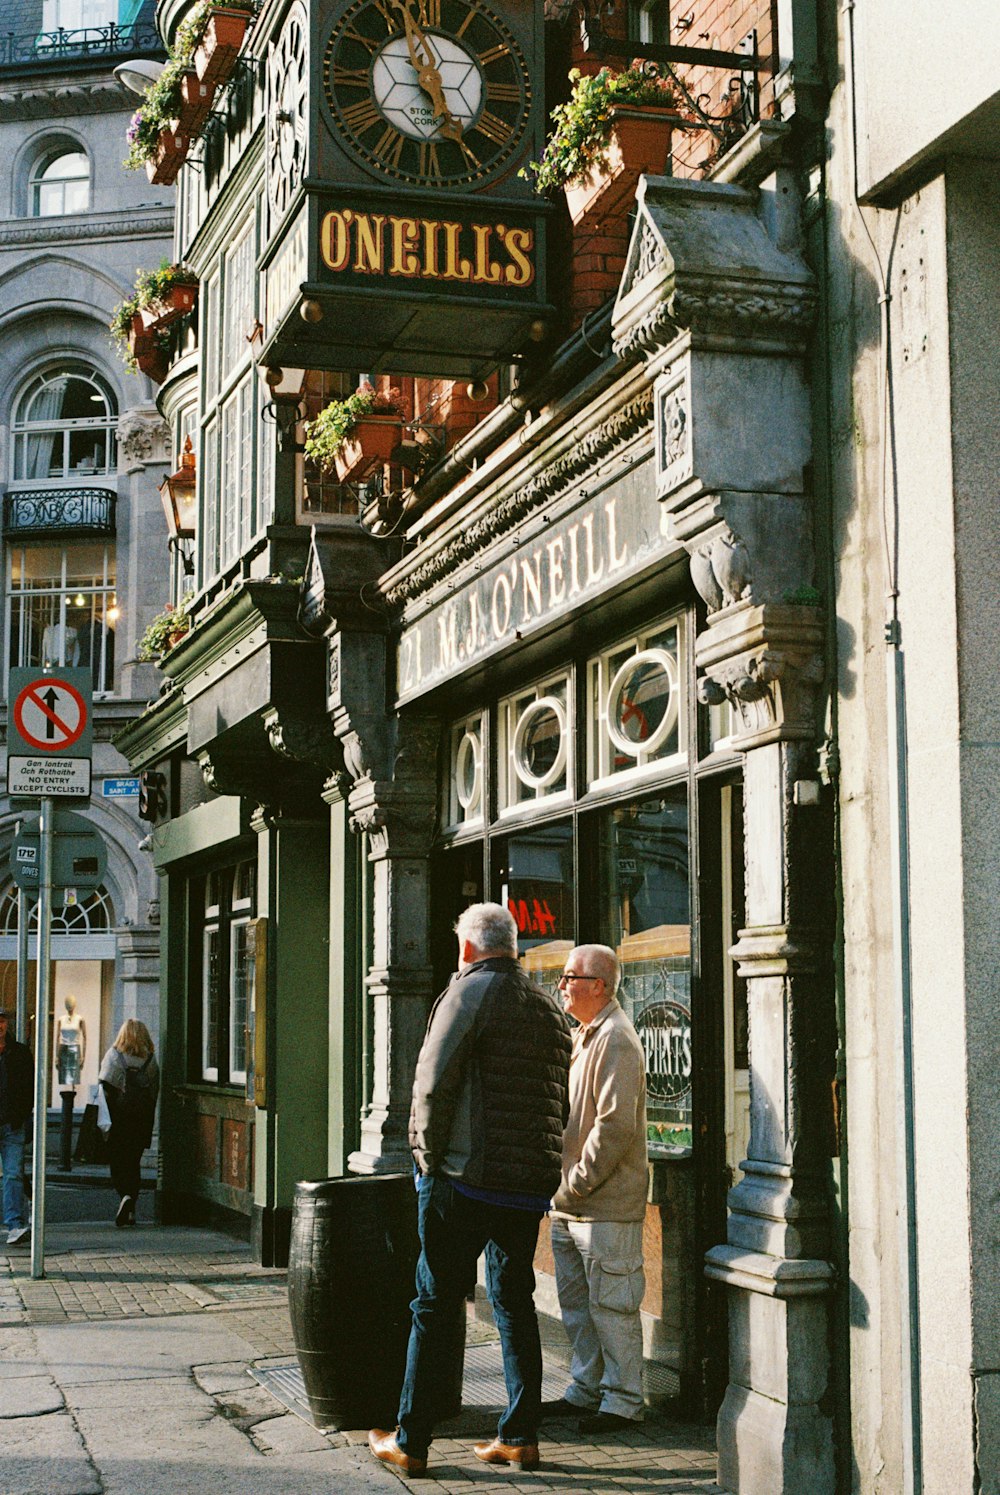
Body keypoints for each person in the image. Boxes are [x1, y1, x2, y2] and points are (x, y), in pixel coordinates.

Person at [369, 902, 572, 1479]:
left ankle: (411, 1441)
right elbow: (557, 1098)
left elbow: (432, 1085)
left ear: (466, 948)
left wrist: (427, 1163)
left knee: (432, 1304)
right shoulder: (547, 1006)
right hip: (525, 1184)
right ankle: (519, 1434)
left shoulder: (466, 993)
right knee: (514, 1303)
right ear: (513, 945)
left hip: (464, 1179)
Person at [549, 944, 649, 1433]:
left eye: (571, 977)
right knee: (577, 1308)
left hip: (601, 1204)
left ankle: (624, 1401)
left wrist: (574, 1187)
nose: (562, 985)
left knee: (612, 1308)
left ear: (601, 986)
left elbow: (613, 1129)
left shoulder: (615, 1039)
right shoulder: (585, 1035)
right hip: (573, 1203)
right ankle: (586, 1390)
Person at [98, 1019, 159, 1229]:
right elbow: (153, 1093)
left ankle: (124, 1195)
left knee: (118, 1162)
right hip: (141, 1120)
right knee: (134, 1163)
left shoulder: (114, 1057)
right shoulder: (151, 1061)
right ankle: (131, 1209)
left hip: (118, 1120)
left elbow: (103, 1087)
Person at [0, 1008, 33, 1246]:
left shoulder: (20, 1053)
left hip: (12, 1124)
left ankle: (15, 1224)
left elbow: (29, 1088)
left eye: (2, 1022)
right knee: (12, 1174)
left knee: (13, 1174)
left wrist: (21, 1115)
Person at [56, 993, 87, 1088]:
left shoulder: (79, 1019)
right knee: (63, 1080)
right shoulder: (61, 1019)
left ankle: (72, 1095)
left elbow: (85, 1037)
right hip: (63, 1049)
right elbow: (57, 1037)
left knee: (74, 1079)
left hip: (75, 1049)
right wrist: (57, 1056)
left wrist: (83, 1056)